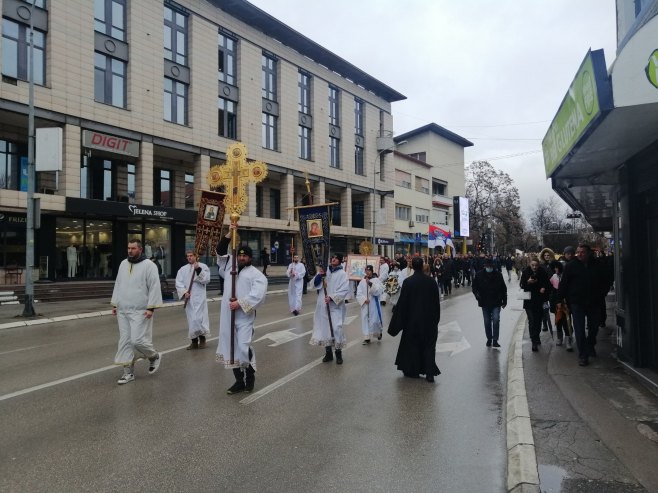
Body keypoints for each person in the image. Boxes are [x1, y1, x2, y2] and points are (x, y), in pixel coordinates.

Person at [216, 245, 268, 394]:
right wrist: (228, 233)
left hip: (244, 317)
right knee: (231, 348)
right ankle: (239, 381)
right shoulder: (229, 269)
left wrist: (239, 303)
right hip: (228, 316)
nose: (241, 258)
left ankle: (250, 376)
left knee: (243, 347)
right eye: (239, 255)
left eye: (245, 256)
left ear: (250, 258)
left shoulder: (256, 275)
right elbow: (220, 252)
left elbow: (258, 294)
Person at [111, 239, 163, 385]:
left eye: (133, 248)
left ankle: (153, 356)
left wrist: (151, 308)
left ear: (140, 249)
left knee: (137, 341)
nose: (129, 251)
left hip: (141, 311)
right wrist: (115, 303)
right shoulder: (123, 264)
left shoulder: (149, 265)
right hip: (123, 310)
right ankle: (128, 373)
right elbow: (118, 283)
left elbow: (154, 286)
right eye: (128, 248)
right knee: (125, 341)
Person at [387, 257, 441, 382]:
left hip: (412, 321)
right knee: (429, 346)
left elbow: (403, 304)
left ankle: (414, 371)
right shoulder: (432, 282)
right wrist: (436, 319)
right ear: (422, 266)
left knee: (413, 346)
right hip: (428, 321)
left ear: (413, 266)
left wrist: (398, 321)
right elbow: (436, 303)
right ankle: (429, 373)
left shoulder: (408, 282)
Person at [557, 244, 609, 366]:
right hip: (577, 302)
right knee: (579, 329)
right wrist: (559, 299)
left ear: (589, 253)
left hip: (594, 302)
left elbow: (606, 280)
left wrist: (602, 293)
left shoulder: (598, 265)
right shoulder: (571, 266)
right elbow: (564, 284)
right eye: (578, 252)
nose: (579, 254)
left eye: (583, 252)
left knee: (594, 327)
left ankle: (590, 344)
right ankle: (583, 355)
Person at [309, 253, 350, 365]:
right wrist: (319, 276)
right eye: (332, 257)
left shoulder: (343, 274)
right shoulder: (325, 271)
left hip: (335, 306)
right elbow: (314, 285)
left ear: (340, 261)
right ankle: (328, 353)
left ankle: (338, 352)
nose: (333, 259)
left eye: (336, 258)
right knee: (325, 328)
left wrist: (332, 297)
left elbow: (344, 289)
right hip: (322, 304)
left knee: (336, 328)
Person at [175, 250, 211, 350]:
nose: (189, 258)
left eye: (191, 256)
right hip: (189, 298)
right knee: (192, 320)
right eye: (188, 256)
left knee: (199, 319)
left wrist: (198, 269)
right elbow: (179, 282)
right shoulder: (182, 269)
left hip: (200, 298)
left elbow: (206, 280)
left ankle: (202, 339)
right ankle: (194, 341)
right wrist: (184, 292)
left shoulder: (203, 266)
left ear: (196, 256)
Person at [472, 258, 507, 348]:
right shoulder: (479, 275)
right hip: (485, 301)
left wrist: (504, 300)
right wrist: (477, 295)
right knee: (487, 322)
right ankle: (489, 338)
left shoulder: (498, 275)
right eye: (487, 266)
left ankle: (495, 340)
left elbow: (503, 288)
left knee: (495, 320)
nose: (489, 268)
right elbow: (474, 287)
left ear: (493, 266)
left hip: (496, 301)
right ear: (485, 266)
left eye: (490, 266)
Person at [520, 257, 550, 352]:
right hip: (529, 300)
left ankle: (537, 336)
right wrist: (528, 282)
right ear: (530, 264)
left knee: (538, 320)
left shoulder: (543, 272)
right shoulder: (525, 272)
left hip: (539, 300)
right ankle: (534, 340)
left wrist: (544, 288)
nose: (534, 267)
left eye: (536, 265)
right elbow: (522, 285)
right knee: (532, 320)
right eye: (532, 265)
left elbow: (548, 284)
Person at [356, 265, 384, 344]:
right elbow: (359, 293)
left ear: (372, 271)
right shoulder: (362, 281)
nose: (367, 272)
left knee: (375, 320)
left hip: (374, 303)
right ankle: (367, 337)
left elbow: (379, 291)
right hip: (365, 304)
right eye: (366, 270)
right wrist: (364, 299)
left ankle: (378, 333)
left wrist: (370, 284)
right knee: (365, 319)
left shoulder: (376, 280)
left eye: (369, 270)